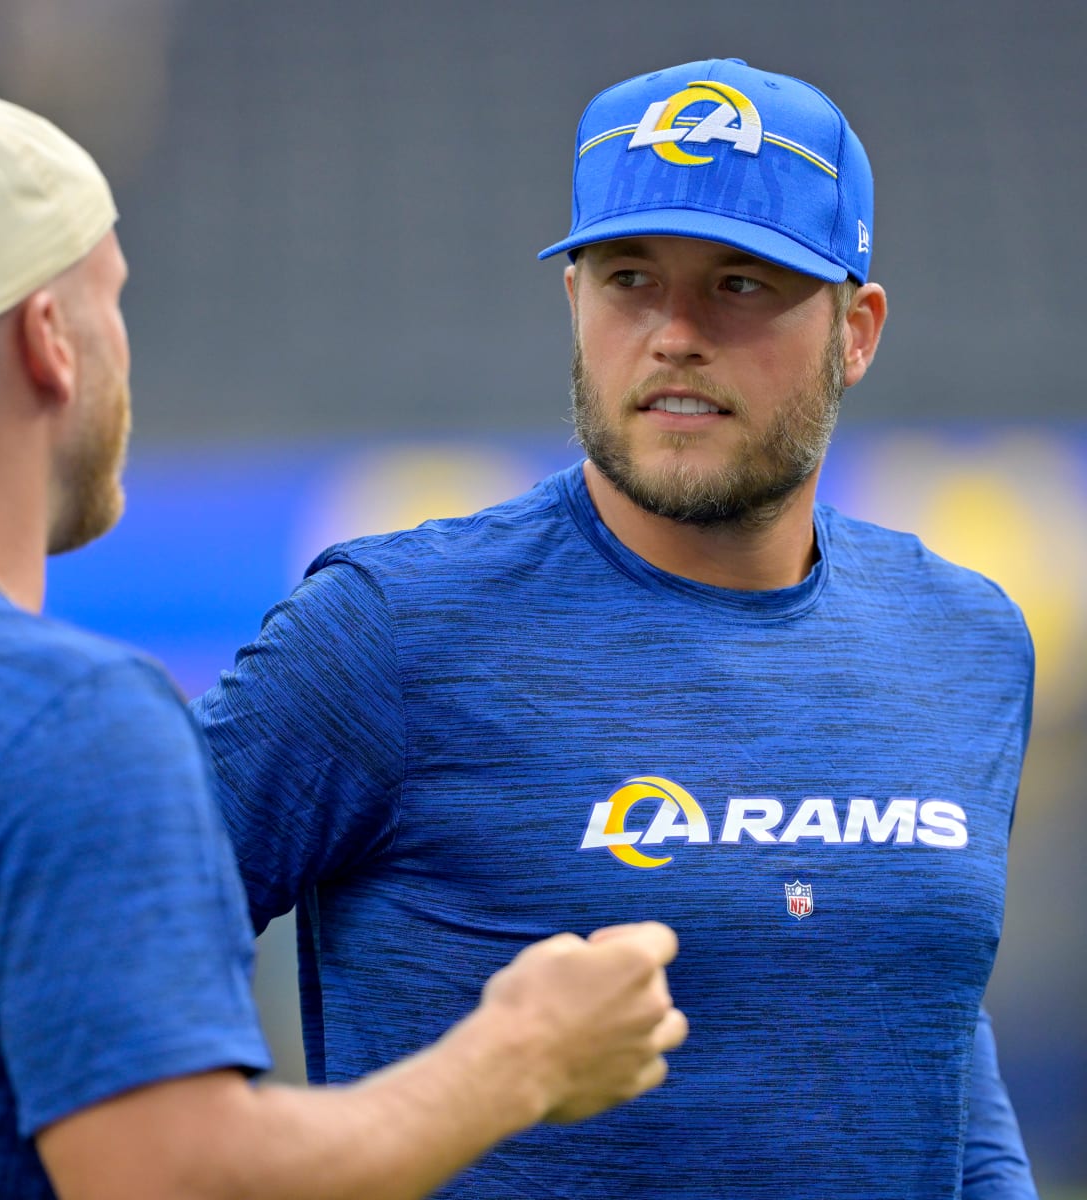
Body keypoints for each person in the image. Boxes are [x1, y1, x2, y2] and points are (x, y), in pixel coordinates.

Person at [193, 57, 1039, 1198]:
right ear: (573, 303)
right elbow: (88, 962)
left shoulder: (967, 637)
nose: (675, 332)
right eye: (631, 277)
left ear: (857, 330)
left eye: (742, 284)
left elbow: (930, 1021)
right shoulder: (388, 634)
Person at [0, 91, 688, 1200]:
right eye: (114, 299)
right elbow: (170, 1179)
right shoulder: (62, 718)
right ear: (48, 340)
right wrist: (520, 1058)